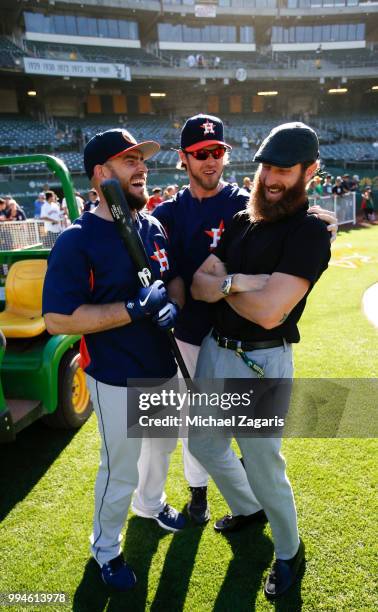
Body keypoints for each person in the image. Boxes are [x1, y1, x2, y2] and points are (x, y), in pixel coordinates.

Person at [152, 114, 337, 525]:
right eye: (201, 154)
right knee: (182, 428)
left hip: (230, 336)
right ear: (184, 159)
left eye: (218, 151)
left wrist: (322, 224)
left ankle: (247, 504)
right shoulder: (165, 212)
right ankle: (195, 495)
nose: (211, 160)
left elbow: (293, 224)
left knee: (244, 435)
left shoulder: (244, 204)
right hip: (184, 334)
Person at [189, 122, 331, 599]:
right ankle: (248, 510)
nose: (270, 178)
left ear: (309, 171)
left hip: (261, 364)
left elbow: (271, 313)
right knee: (204, 445)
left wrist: (228, 284)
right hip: (216, 352)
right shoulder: (241, 219)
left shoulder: (311, 231)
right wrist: (248, 282)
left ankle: (289, 552)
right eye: (266, 166)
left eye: (284, 169)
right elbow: (198, 283)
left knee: (264, 464)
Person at [42, 128, 185, 590]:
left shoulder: (153, 225)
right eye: (129, 161)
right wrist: (130, 309)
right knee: (118, 467)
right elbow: (58, 320)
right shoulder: (76, 240)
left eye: (141, 159)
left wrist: (172, 305)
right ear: (101, 174)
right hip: (116, 376)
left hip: (162, 366)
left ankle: (151, 504)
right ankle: (106, 549)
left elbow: (174, 278)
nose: (142, 167)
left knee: (161, 450)